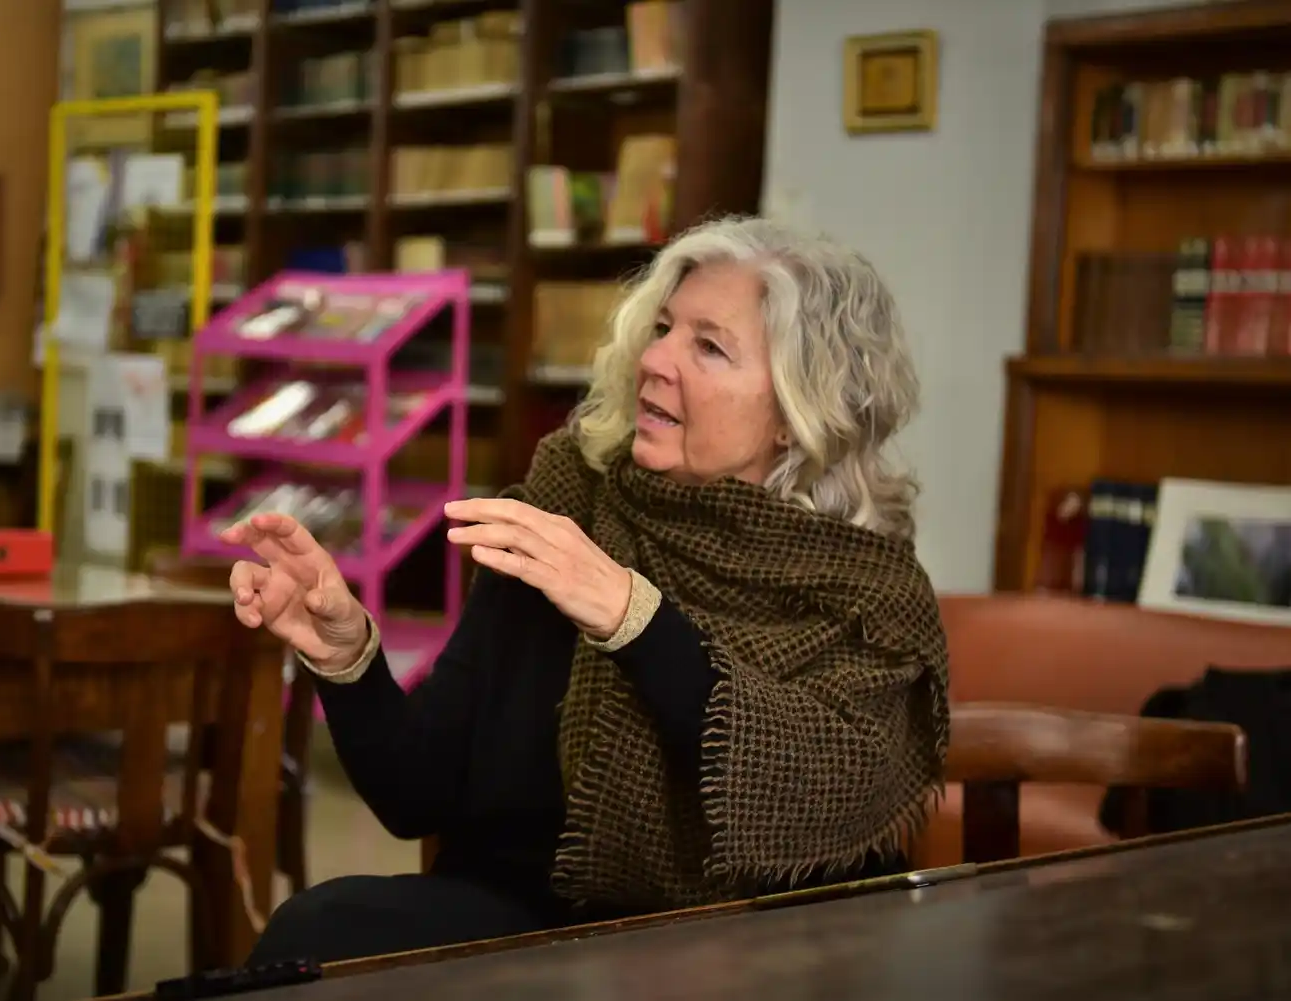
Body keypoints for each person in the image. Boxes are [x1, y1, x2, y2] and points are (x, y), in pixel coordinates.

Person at [225, 215, 951, 966]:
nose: (656, 358)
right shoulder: (561, 511)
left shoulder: (864, 589)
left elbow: (824, 790)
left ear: (799, 414)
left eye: (708, 345)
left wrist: (634, 616)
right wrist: (347, 654)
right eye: (663, 327)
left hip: (737, 950)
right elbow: (415, 794)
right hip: (519, 929)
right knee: (312, 935)